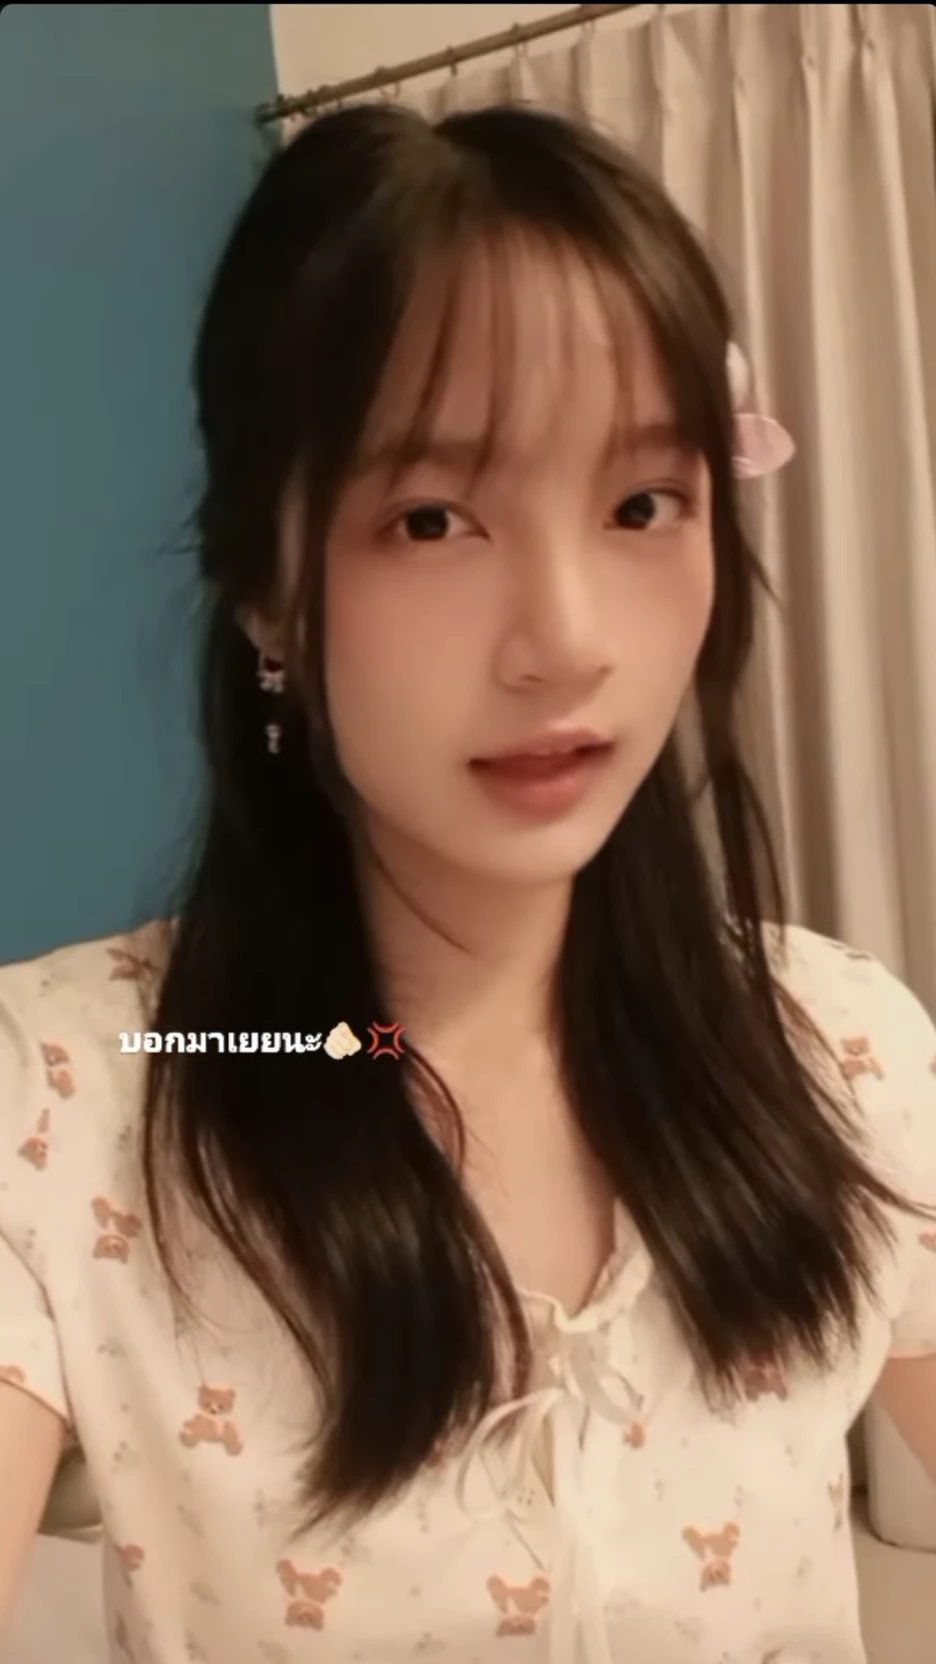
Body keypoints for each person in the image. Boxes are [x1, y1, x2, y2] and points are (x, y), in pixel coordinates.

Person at [0, 101, 934, 1664]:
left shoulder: (841, 1047)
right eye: (433, 519)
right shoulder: (76, 1090)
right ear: (268, 589)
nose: (567, 641)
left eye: (642, 504)